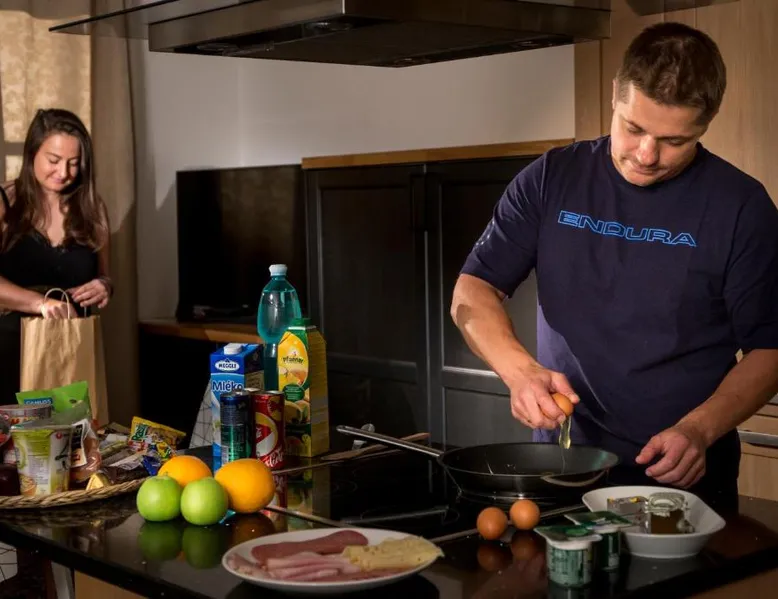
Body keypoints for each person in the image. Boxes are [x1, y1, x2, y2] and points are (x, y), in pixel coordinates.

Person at [451, 22, 778, 513]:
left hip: (679, 476)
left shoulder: (742, 208)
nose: (646, 155)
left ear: (706, 124)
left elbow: (770, 349)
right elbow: (473, 291)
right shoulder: (551, 178)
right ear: (614, 95)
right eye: (633, 128)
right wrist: (519, 372)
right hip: (562, 467)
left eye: (673, 140)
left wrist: (699, 429)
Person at [0, 108, 112, 404]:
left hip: (70, 354)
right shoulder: (5, 201)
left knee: (74, 430)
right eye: (53, 160)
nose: (63, 173)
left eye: (73, 163)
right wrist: (40, 303)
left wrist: (103, 286)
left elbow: (105, 276)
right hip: (9, 352)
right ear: (32, 154)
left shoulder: (92, 208)